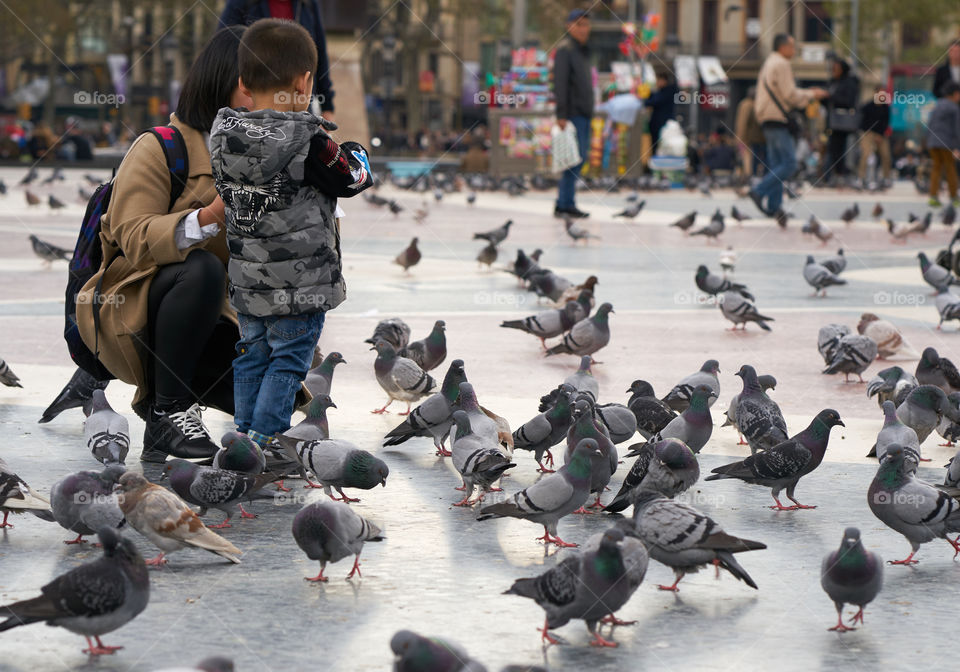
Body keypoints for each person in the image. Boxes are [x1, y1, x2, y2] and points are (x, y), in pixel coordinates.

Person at [76, 26, 252, 463]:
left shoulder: (278, 157)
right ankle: (169, 411)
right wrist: (207, 218)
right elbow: (133, 236)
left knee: (278, 406)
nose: (276, 99)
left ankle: (183, 421)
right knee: (201, 270)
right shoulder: (161, 147)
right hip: (135, 306)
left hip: (225, 322)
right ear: (225, 81)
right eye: (261, 85)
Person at [209, 19, 373, 447]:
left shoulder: (224, 136)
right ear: (304, 83)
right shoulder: (310, 140)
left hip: (248, 283)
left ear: (244, 83)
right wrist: (358, 152)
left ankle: (243, 437)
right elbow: (351, 178)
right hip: (300, 287)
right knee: (287, 362)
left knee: (252, 357)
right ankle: (265, 439)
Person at [747, 34, 827, 217]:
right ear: (782, 47)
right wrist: (811, 94)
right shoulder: (781, 64)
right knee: (789, 163)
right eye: (792, 46)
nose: (794, 50)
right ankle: (759, 191)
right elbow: (790, 94)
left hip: (767, 118)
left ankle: (775, 207)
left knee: (776, 164)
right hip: (777, 118)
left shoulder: (769, 63)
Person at [219, 0, 335, 120]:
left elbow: (319, 53)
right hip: (253, 104)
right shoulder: (239, 4)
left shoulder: (308, 4)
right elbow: (224, 51)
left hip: (298, 102)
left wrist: (327, 106)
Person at [553, 9, 593, 218]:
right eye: (578, 24)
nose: (583, 29)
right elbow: (560, 84)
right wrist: (561, 114)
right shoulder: (565, 50)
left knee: (578, 159)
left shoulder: (582, 51)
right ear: (568, 26)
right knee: (572, 160)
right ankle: (565, 203)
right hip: (572, 114)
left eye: (585, 24)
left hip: (584, 113)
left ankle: (565, 202)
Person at [822, 57, 859, 184]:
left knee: (838, 149)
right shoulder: (832, 82)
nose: (834, 70)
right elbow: (828, 103)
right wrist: (822, 97)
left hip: (842, 123)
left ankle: (841, 174)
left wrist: (831, 97)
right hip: (832, 121)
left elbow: (849, 101)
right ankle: (834, 175)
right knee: (832, 149)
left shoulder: (849, 83)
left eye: (837, 68)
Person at [926, 81, 960, 207]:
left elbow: (929, 124)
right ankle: (954, 197)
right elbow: (957, 128)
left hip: (933, 142)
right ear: (955, 94)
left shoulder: (937, 105)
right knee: (950, 168)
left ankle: (933, 196)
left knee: (936, 168)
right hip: (946, 142)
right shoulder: (954, 107)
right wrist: (958, 146)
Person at [857, 85, 892, 185]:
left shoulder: (886, 108)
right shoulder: (867, 106)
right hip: (868, 133)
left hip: (881, 135)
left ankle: (886, 178)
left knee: (886, 155)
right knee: (866, 154)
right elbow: (863, 122)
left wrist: (880, 135)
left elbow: (886, 122)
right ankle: (861, 178)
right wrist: (871, 133)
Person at [734, 85, 765, 176]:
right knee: (750, 162)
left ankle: (748, 178)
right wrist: (742, 139)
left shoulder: (743, 104)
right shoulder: (750, 105)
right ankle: (750, 178)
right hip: (749, 139)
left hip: (745, 139)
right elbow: (743, 123)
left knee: (746, 161)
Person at [647, 73, 678, 152]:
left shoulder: (667, 92)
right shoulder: (661, 92)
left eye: (659, 80)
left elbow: (653, 102)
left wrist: (648, 97)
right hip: (658, 123)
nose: (657, 83)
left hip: (662, 123)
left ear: (664, 81)